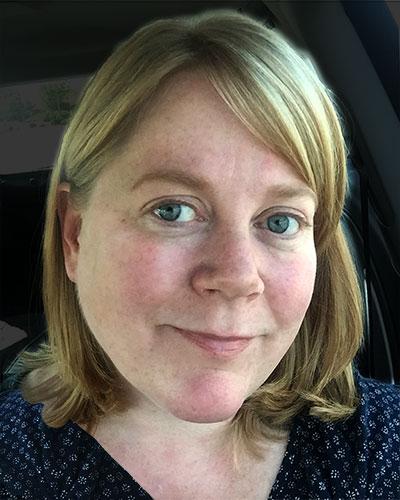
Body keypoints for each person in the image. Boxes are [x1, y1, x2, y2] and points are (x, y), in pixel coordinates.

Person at [1, 8, 399, 500]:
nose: (235, 275)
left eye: (280, 221)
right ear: (75, 236)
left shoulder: (382, 445)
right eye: (172, 211)